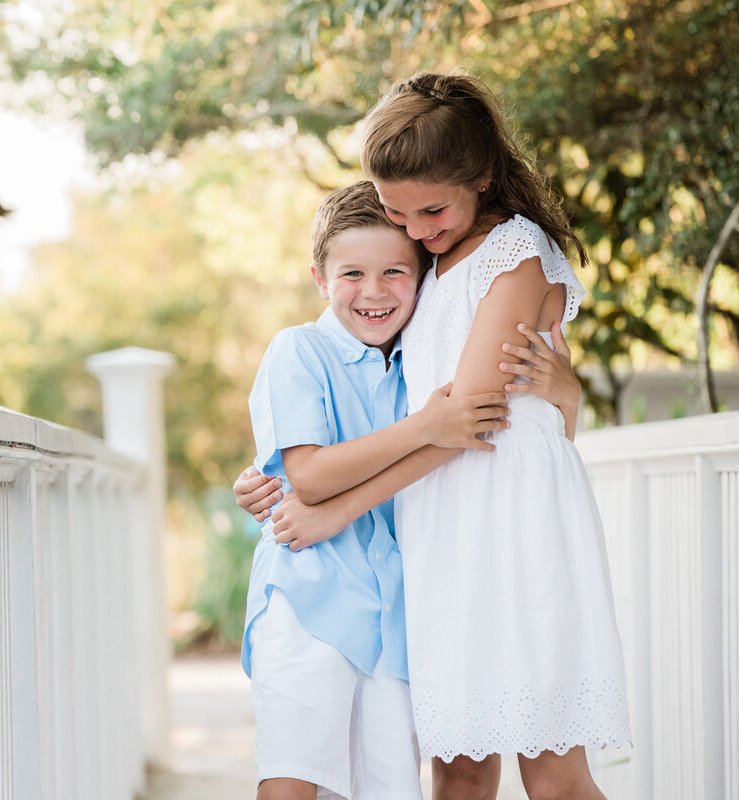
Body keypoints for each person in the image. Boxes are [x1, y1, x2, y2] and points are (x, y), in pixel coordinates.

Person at [241, 73, 630, 800]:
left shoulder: (513, 252)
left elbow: (472, 416)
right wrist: (267, 472)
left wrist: (334, 508)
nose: (415, 230)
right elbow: (384, 399)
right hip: (439, 522)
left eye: (431, 210)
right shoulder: (430, 263)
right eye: (396, 211)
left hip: (509, 519)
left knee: (550, 771)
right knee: (458, 761)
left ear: (482, 177)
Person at [243, 180, 529, 800]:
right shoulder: (299, 350)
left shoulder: (424, 362)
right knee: (294, 779)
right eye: (352, 273)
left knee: (388, 785)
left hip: (397, 616)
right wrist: (425, 425)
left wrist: (567, 389)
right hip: (309, 595)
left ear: (422, 277)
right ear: (320, 278)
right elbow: (310, 475)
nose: (374, 292)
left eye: (395, 271)